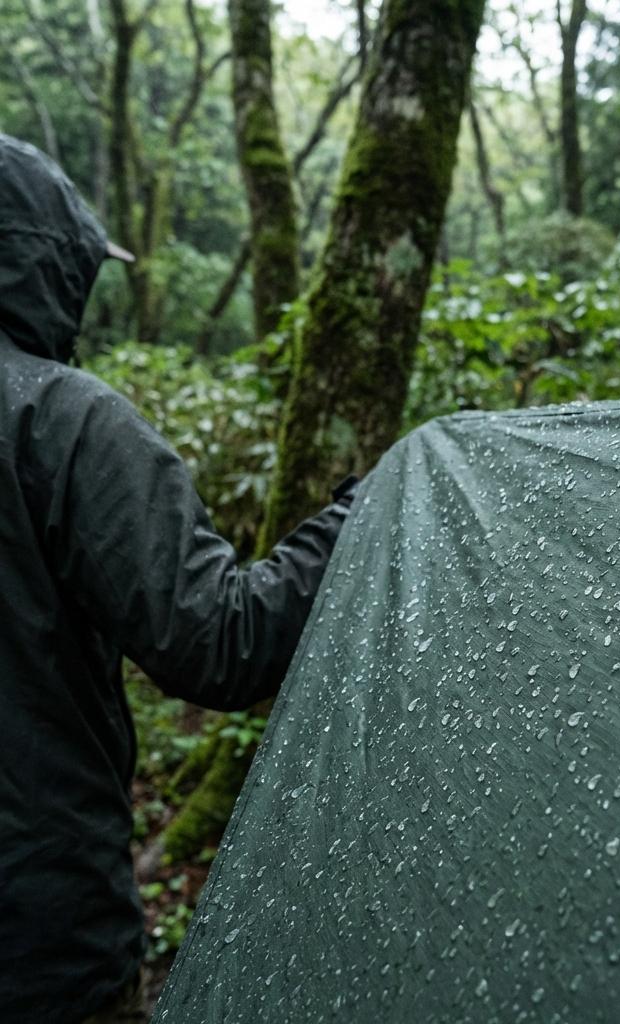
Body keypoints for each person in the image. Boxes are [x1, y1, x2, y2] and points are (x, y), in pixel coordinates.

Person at [0, 133, 356, 1023]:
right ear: (47, 262)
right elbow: (219, 642)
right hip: (40, 949)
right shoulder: (60, 420)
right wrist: (368, 509)